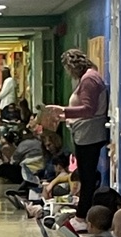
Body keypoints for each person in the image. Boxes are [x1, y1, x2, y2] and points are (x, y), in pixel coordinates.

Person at [46, 49, 109, 220]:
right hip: (86, 132)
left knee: (86, 176)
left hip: (89, 134)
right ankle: (84, 211)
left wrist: (64, 111)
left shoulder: (89, 80)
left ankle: (82, 215)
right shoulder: (91, 77)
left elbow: (89, 109)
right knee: (86, 175)